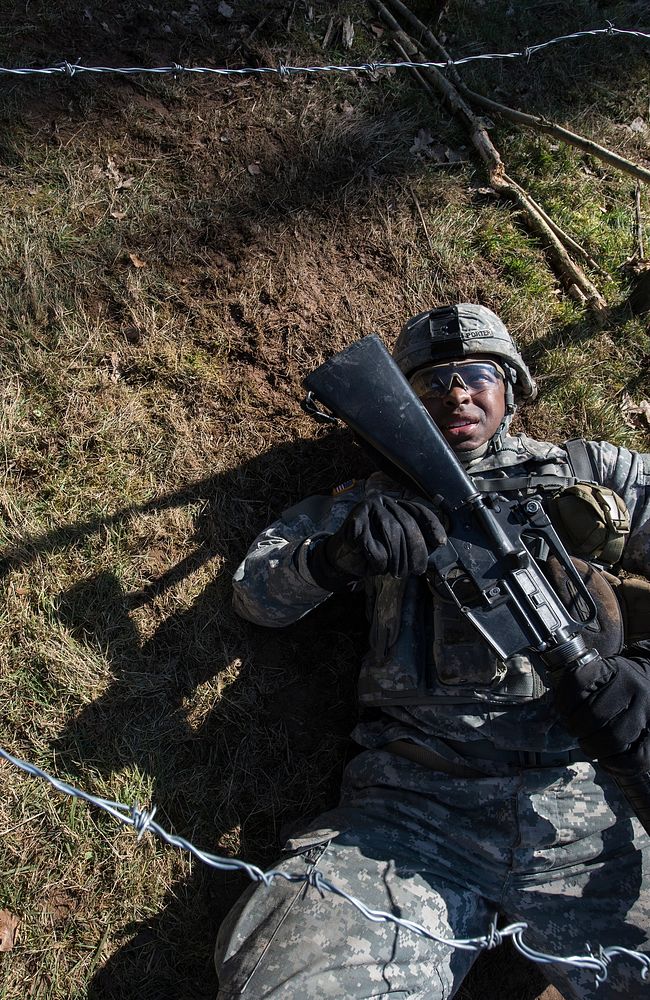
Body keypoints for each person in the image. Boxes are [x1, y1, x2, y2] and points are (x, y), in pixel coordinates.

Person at [215, 304, 650, 999]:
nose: (456, 393)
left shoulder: (586, 474)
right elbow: (257, 596)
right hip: (411, 813)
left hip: (586, 804)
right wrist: (339, 554)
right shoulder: (374, 503)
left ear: (512, 387)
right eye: (432, 382)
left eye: (477, 374)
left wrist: (644, 673)